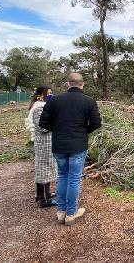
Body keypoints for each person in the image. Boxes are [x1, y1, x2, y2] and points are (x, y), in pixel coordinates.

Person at [39, 73, 101, 226]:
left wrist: (59, 130)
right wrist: (83, 131)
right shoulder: (89, 101)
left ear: (68, 84)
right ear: (82, 84)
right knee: (73, 178)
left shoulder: (54, 100)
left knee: (62, 176)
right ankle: (71, 214)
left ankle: (61, 213)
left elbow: (43, 123)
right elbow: (96, 123)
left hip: (59, 145)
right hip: (78, 145)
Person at [25, 86, 57, 208]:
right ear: (41, 95)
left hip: (47, 142)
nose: (50, 96)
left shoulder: (43, 106)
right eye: (48, 94)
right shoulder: (39, 108)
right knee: (43, 170)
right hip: (44, 143)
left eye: (51, 93)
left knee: (47, 168)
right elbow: (42, 127)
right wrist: (56, 124)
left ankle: (44, 194)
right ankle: (44, 200)